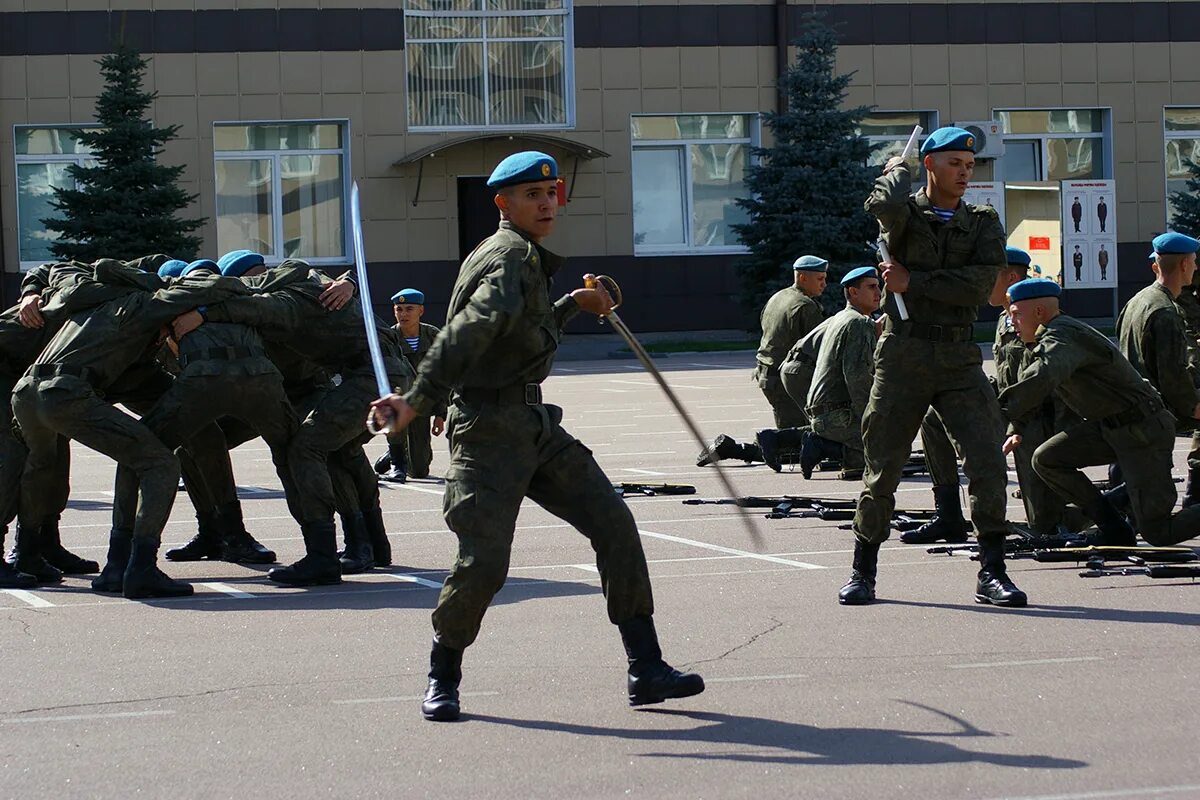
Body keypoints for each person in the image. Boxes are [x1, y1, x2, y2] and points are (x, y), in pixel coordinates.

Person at [369, 151, 703, 722]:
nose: (546, 203)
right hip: (489, 433)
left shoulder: (523, 256)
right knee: (484, 562)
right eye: (531, 195)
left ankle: (645, 668)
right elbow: (470, 330)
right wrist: (415, 400)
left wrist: (574, 302)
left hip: (534, 424)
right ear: (503, 203)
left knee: (614, 524)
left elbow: (521, 330)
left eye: (551, 193)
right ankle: (442, 674)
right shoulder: (510, 257)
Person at [842, 126, 1025, 608]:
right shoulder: (903, 214)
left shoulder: (983, 221)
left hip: (959, 357)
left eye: (969, 166)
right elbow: (878, 207)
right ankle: (863, 571)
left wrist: (912, 281)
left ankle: (992, 571)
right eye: (953, 164)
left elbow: (980, 287)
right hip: (904, 355)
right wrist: (896, 172)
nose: (965, 173)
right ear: (929, 165)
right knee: (883, 465)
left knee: (986, 460)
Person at [999, 278, 1200, 548]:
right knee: (1047, 459)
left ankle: (1117, 511)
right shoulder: (1046, 338)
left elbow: (1040, 378)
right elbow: (1036, 387)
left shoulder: (1063, 337)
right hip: (1109, 428)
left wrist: (992, 415)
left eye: (1016, 314)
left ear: (1038, 312)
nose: (1012, 322)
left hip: (1143, 431)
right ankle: (1112, 526)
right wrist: (1017, 427)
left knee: (1159, 532)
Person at [902, 247, 1080, 544]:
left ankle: (1104, 509)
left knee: (1045, 526)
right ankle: (948, 514)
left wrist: (1011, 423)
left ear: (1011, 277)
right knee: (934, 417)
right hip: (1011, 404)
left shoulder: (1037, 315)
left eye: (989, 276)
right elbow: (1008, 373)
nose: (982, 283)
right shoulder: (1005, 319)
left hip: (1038, 413)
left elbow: (1042, 382)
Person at [1117, 232, 1200, 508]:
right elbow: (1173, 375)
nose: (1197, 267)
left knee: (1134, 482)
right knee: (1152, 508)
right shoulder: (1166, 311)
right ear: (1185, 265)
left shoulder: (1137, 301)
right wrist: (1193, 406)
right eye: (1195, 262)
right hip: (1154, 414)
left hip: (1131, 410)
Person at [797, 267, 881, 478]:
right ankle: (823, 446)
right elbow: (856, 376)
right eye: (871, 287)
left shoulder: (841, 318)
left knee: (866, 460)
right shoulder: (857, 323)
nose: (878, 292)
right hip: (837, 417)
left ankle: (840, 454)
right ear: (853, 292)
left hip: (825, 413)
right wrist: (870, 418)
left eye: (878, 286)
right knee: (890, 446)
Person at [375, 288, 445, 483]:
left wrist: (440, 414)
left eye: (409, 309)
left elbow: (441, 377)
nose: (403, 314)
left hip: (421, 404)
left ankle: (390, 457)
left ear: (420, 311)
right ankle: (397, 461)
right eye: (399, 309)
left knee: (420, 469)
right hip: (396, 401)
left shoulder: (433, 336)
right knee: (394, 421)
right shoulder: (388, 338)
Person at [753, 255, 828, 428]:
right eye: (820, 279)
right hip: (786, 379)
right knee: (796, 436)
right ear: (802, 278)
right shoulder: (805, 306)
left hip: (766, 374)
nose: (824, 284)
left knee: (787, 428)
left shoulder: (778, 297)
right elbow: (819, 347)